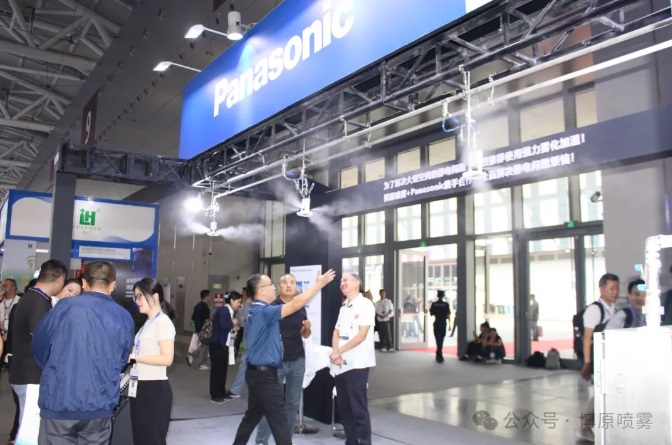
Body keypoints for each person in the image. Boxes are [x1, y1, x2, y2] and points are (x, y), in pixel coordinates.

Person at [32, 261, 135, 445]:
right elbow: (122, 360)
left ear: (84, 283)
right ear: (112, 284)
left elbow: (40, 346)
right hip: (99, 404)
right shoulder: (123, 316)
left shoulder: (63, 307)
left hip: (59, 401)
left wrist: (55, 370)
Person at [232, 269, 335, 445]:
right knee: (279, 419)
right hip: (264, 375)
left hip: (258, 373)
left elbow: (296, 312)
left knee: (252, 416)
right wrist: (318, 285)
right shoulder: (264, 311)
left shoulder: (258, 310)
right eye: (271, 284)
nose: (274, 287)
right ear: (261, 290)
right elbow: (294, 305)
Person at [10, 259, 67, 443]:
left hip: (26, 373)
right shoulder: (38, 302)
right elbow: (43, 340)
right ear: (60, 279)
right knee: (30, 432)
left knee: (29, 429)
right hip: (31, 375)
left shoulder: (31, 297)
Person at [255, 274, 313, 445]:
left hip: (297, 360)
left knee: (292, 403)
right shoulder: (271, 307)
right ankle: (261, 440)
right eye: (285, 282)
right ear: (279, 287)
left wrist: (307, 329)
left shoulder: (300, 307)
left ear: (296, 287)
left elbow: (304, 335)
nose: (289, 285)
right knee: (271, 403)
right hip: (275, 363)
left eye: (292, 282)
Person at [129, 278, 176, 445]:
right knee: (141, 438)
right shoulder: (149, 322)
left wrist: (136, 357)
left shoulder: (163, 322)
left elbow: (167, 358)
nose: (137, 301)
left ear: (155, 297)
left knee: (152, 439)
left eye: (140, 296)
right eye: (135, 297)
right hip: (141, 387)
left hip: (154, 390)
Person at [330, 273, 376, 445]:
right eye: (341, 281)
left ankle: (364, 442)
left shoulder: (365, 304)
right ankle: (351, 441)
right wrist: (336, 352)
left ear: (357, 283)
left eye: (346, 280)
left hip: (357, 365)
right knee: (345, 408)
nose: (342, 283)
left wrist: (338, 351)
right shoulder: (344, 307)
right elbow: (336, 332)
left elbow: (361, 335)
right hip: (340, 364)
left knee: (358, 408)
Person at [577, 272, 619, 442]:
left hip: (608, 358)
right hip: (597, 359)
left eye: (616, 288)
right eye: (611, 288)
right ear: (601, 289)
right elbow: (587, 337)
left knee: (604, 393)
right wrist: (587, 363)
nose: (615, 292)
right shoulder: (594, 310)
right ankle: (584, 427)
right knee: (598, 393)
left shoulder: (613, 309)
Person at [210, 291, 242, 403]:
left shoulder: (229, 311)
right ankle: (215, 395)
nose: (239, 304)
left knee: (222, 370)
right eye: (238, 302)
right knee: (217, 370)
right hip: (218, 344)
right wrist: (233, 324)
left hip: (224, 344)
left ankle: (221, 393)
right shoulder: (223, 310)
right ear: (232, 301)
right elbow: (222, 324)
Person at [187, 289, 211, 370]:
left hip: (198, 328)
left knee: (203, 345)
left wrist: (197, 323)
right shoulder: (205, 307)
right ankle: (202, 363)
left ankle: (191, 356)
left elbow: (193, 317)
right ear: (206, 296)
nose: (210, 297)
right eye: (209, 295)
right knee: (205, 346)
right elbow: (206, 320)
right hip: (204, 329)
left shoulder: (197, 306)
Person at [429, 290, 450, 363]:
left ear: (437, 295)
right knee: (441, 338)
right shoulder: (446, 304)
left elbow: (431, 313)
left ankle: (439, 354)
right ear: (443, 296)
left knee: (437, 339)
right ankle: (439, 354)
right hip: (443, 323)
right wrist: (450, 324)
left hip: (436, 322)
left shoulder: (434, 304)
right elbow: (448, 314)